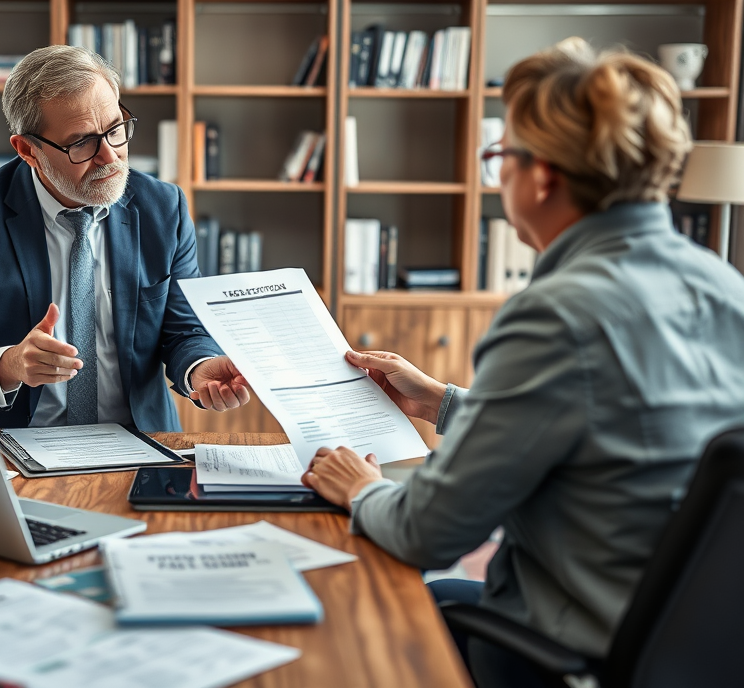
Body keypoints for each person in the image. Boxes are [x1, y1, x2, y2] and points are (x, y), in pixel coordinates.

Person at [301, 38, 744, 687]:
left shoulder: (556, 315)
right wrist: (442, 403)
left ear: (542, 176)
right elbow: (606, 428)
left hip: (577, 654)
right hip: (694, 650)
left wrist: (360, 487)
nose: (498, 172)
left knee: (382, 616)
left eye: (500, 155)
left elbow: (429, 533)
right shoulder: (726, 288)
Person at [0, 45, 249, 431]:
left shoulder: (163, 207)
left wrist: (199, 367)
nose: (111, 157)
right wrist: (10, 364)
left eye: (115, 130)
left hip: (140, 442)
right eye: (82, 142)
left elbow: (184, 330)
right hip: (16, 446)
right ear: (28, 150)